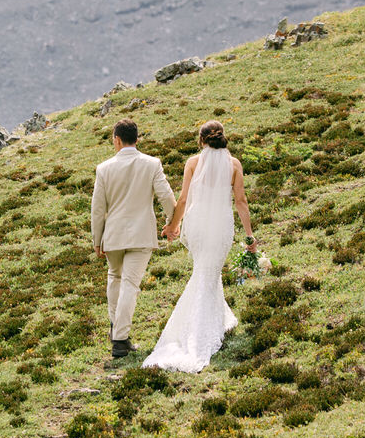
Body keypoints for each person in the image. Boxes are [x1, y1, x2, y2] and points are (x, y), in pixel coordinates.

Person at [144, 120, 255, 373]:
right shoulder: (234, 164)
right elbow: (241, 202)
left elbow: (182, 200)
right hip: (220, 228)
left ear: (201, 140)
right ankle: (200, 332)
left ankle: (216, 320)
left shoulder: (192, 163)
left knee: (205, 273)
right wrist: (249, 236)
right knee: (208, 273)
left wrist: (173, 225)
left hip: (197, 227)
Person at [90, 118, 176, 358]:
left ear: (116, 140)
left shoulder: (104, 168)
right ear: (137, 139)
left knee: (115, 278)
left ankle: (116, 328)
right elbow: (166, 196)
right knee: (129, 283)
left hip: (113, 236)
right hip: (141, 235)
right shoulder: (152, 164)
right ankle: (120, 338)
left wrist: (97, 240)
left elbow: (98, 209)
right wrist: (172, 223)